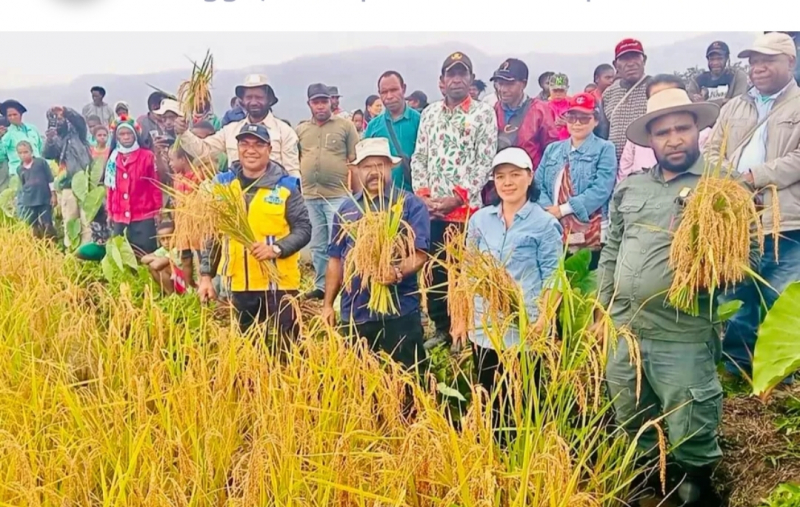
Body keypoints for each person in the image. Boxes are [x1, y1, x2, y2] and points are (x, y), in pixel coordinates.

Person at [598, 88, 733, 507]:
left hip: (682, 331)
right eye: (663, 132)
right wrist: (602, 310)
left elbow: (745, 256)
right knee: (631, 411)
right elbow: (611, 250)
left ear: (697, 131)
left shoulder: (720, 187)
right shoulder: (631, 188)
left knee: (690, 416)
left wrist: (711, 266)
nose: (673, 139)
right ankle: (650, 481)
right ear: (650, 141)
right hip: (626, 329)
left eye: (682, 128)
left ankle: (696, 485)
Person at [704, 32, 800, 381]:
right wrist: (730, 181)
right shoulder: (734, 106)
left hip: (786, 219)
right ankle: (735, 366)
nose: (758, 67)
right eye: (754, 61)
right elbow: (712, 150)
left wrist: (753, 176)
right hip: (738, 218)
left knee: (781, 296)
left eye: (768, 60)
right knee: (738, 291)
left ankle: (779, 376)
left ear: (790, 62)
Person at [452, 147, 563, 433]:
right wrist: (461, 318)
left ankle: (523, 462)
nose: (508, 182)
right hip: (484, 329)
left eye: (515, 175)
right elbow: (467, 270)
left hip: (525, 331)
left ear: (530, 177)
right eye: (501, 176)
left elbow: (554, 277)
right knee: (488, 401)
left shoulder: (545, 224)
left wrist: (544, 319)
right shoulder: (479, 220)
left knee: (523, 403)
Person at [411, 51, 498, 350]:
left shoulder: (483, 114)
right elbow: (419, 156)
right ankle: (441, 328)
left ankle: (464, 331)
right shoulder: (430, 114)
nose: (457, 79)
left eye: (463, 74)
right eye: (452, 74)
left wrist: (456, 198)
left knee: (463, 274)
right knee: (435, 273)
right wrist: (424, 197)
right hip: (432, 212)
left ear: (471, 80)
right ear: (441, 81)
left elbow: (484, 161)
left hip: (466, 213)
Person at [324, 137, 431, 373]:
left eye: (379, 165)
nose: (374, 172)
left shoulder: (409, 204)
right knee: (361, 381)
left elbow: (421, 253)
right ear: (357, 171)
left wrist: (397, 271)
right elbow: (335, 259)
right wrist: (328, 304)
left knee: (408, 379)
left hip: (399, 310)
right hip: (357, 309)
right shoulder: (347, 209)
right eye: (366, 167)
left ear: (390, 167)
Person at [197, 123, 311, 341]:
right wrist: (205, 276)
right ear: (237, 148)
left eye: (259, 144)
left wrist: (276, 249)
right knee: (246, 351)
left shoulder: (286, 186)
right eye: (245, 144)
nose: (251, 150)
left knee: (286, 349)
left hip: (280, 286)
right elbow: (214, 234)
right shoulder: (223, 185)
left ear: (269, 149)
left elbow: (304, 229)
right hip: (239, 285)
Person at [535, 93, 616, 269]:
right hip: (553, 227)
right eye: (572, 117)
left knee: (587, 284)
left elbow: (602, 188)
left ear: (595, 121)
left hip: (591, 233)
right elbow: (537, 184)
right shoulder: (552, 149)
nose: (577, 123)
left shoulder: (605, 148)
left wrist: (563, 210)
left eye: (584, 118)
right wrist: (549, 210)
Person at [295, 83, 360, 301]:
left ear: (331, 102)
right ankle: (322, 287)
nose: (321, 106)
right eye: (316, 102)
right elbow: (298, 159)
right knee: (318, 244)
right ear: (309, 104)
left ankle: (347, 288)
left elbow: (355, 161)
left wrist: (358, 197)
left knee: (341, 244)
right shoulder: (302, 129)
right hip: (310, 197)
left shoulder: (345, 126)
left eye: (324, 101)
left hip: (338, 196)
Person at [174, 74, 300, 179]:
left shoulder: (285, 132)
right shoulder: (231, 130)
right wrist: (184, 133)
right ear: (242, 101)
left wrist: (295, 203)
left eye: (259, 97)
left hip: (272, 202)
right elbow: (203, 150)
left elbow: (292, 172)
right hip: (237, 201)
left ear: (269, 100)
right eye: (249, 97)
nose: (254, 102)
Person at [618, 74, 713, 183]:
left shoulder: (707, 136)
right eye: (657, 97)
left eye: (683, 129)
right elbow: (623, 173)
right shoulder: (632, 186)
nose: (674, 142)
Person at [105, 119, 162, 257]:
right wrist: (110, 212)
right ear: (117, 137)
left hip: (143, 214)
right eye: (122, 134)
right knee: (123, 256)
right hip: (120, 216)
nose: (125, 137)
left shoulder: (147, 156)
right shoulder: (113, 158)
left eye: (129, 134)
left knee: (146, 255)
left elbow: (154, 184)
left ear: (135, 135)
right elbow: (111, 188)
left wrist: (158, 210)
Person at [489, 58, 558, 168]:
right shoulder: (492, 111)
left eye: (509, 84)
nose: (503, 89)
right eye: (500, 84)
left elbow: (552, 151)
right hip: (500, 180)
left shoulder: (541, 111)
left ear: (524, 84)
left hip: (531, 179)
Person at [42, 106, 93, 247]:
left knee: (86, 221)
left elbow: (79, 120)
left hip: (84, 184)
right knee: (70, 220)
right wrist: (50, 140)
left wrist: (64, 110)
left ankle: (87, 253)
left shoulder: (79, 134)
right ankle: (72, 252)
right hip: (67, 186)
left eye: (60, 118)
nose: (58, 122)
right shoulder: (56, 139)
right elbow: (47, 154)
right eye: (55, 120)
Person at [364, 70, 421, 192]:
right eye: (384, 92)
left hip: (416, 197)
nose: (389, 96)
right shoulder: (373, 126)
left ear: (403, 89)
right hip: (383, 198)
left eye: (394, 90)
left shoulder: (420, 121)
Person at [597, 39, 651, 160]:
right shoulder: (609, 93)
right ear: (616, 65)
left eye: (635, 57)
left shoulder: (656, 87)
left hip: (650, 167)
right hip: (615, 166)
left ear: (644, 60)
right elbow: (603, 134)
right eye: (625, 59)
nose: (631, 63)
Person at [16, 141, 57, 240]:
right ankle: (36, 245)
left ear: (31, 152)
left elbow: (50, 179)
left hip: (43, 198)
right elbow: (23, 185)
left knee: (47, 222)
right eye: (20, 153)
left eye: (26, 152)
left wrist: (53, 195)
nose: (23, 155)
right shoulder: (19, 169)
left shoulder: (41, 163)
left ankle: (51, 244)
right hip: (29, 200)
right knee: (33, 224)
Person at [688, 41, 749, 106]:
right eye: (712, 59)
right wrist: (723, 101)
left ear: (727, 59)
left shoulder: (737, 76)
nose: (715, 63)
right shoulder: (697, 80)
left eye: (719, 59)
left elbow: (738, 102)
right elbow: (690, 102)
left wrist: (705, 103)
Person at [0, 100, 44, 179]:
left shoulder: (32, 129)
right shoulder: (8, 134)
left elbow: (41, 149)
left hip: (38, 172)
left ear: (20, 114)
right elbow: (1, 156)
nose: (12, 117)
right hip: (18, 174)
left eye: (15, 114)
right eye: (9, 115)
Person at [141, 221, 185, 295]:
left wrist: (157, 260)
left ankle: (172, 294)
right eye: (163, 239)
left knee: (162, 267)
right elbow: (143, 259)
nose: (166, 242)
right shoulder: (164, 249)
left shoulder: (179, 248)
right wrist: (156, 259)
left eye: (169, 238)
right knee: (153, 266)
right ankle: (168, 292)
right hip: (178, 281)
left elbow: (156, 265)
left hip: (187, 284)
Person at [547, 73, 572, 140]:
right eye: (555, 91)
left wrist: (568, 125)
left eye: (561, 91)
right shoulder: (544, 108)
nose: (558, 94)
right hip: (550, 144)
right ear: (550, 89)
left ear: (567, 89)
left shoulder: (573, 106)